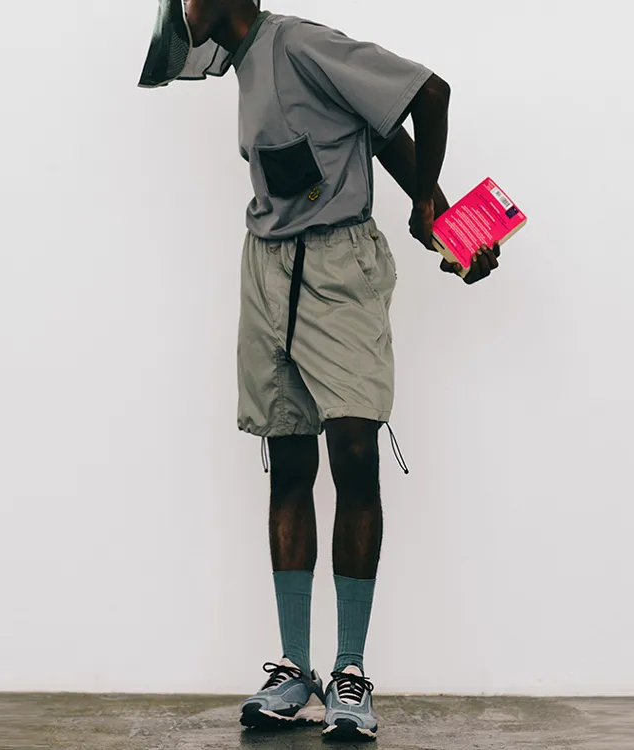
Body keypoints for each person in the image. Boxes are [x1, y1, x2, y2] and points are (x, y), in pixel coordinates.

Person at [140, 0, 500, 741]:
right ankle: (294, 672)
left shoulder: (299, 43)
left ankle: (350, 672)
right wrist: (430, 208)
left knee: (356, 457)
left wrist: (430, 209)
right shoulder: (247, 64)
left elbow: (426, 93)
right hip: (267, 272)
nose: (182, 9)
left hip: (339, 270)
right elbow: (373, 131)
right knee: (290, 465)